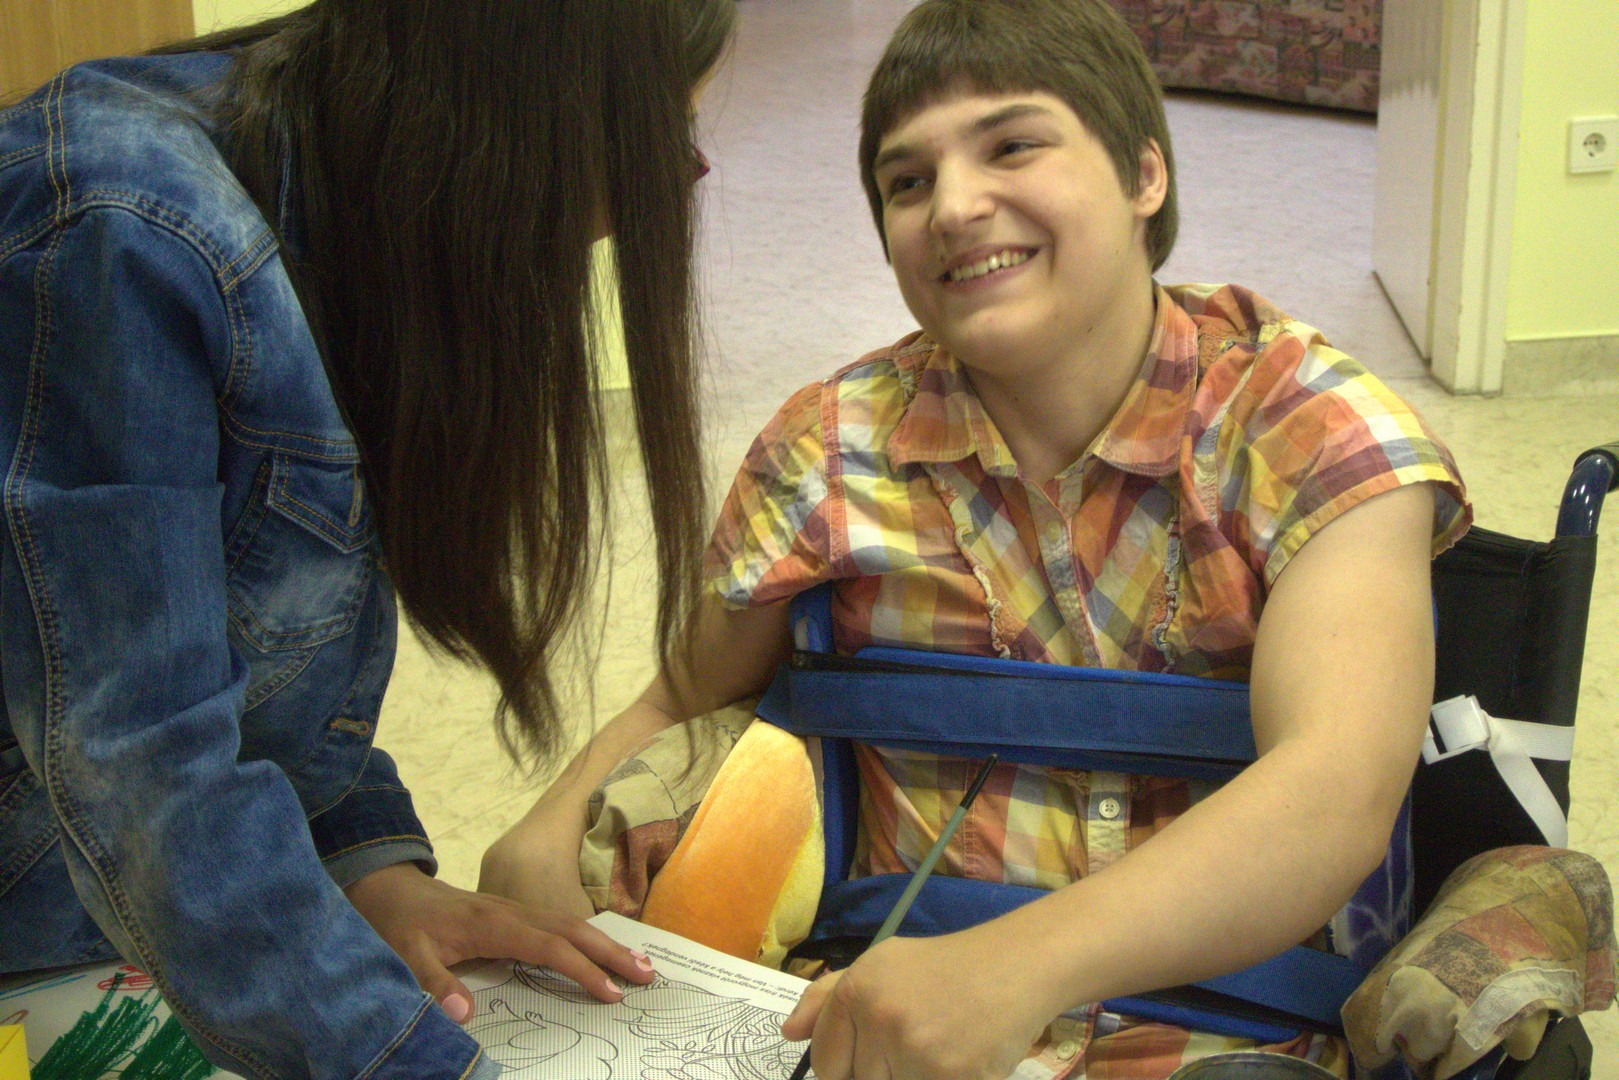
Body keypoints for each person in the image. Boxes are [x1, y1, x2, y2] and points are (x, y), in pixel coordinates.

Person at [480, 1, 1472, 1077]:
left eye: (1011, 147)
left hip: (1221, 1037)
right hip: (871, 1023)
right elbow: (683, 695)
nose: (952, 206)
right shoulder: (824, 451)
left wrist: (1011, 970)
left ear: (1144, 175)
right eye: (907, 182)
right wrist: (549, 826)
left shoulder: (1309, 425)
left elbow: (1332, 791)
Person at [0, 0, 734, 1076]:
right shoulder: (122, 229)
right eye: (657, 125)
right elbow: (142, 768)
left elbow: (274, 665)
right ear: (523, 102)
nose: (683, 171)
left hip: (142, 931)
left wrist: (368, 867)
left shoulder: (367, 216)